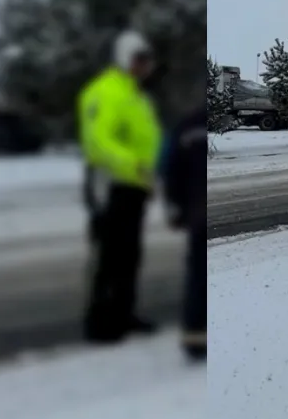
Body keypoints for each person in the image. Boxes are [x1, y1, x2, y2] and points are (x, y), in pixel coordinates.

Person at [76, 30, 162, 343]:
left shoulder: (134, 93)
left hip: (133, 185)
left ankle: (123, 314)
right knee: (109, 255)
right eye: (139, 59)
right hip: (109, 184)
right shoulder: (106, 91)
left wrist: (147, 174)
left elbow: (145, 138)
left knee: (129, 254)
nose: (144, 66)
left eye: (146, 60)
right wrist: (133, 165)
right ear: (125, 59)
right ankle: (100, 324)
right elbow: (98, 141)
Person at [160, 103, 207, 361]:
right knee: (200, 274)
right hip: (199, 210)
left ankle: (194, 337)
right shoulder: (190, 125)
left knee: (197, 275)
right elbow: (170, 166)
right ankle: (195, 337)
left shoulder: (187, 124)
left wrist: (175, 206)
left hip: (195, 210)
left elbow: (169, 167)